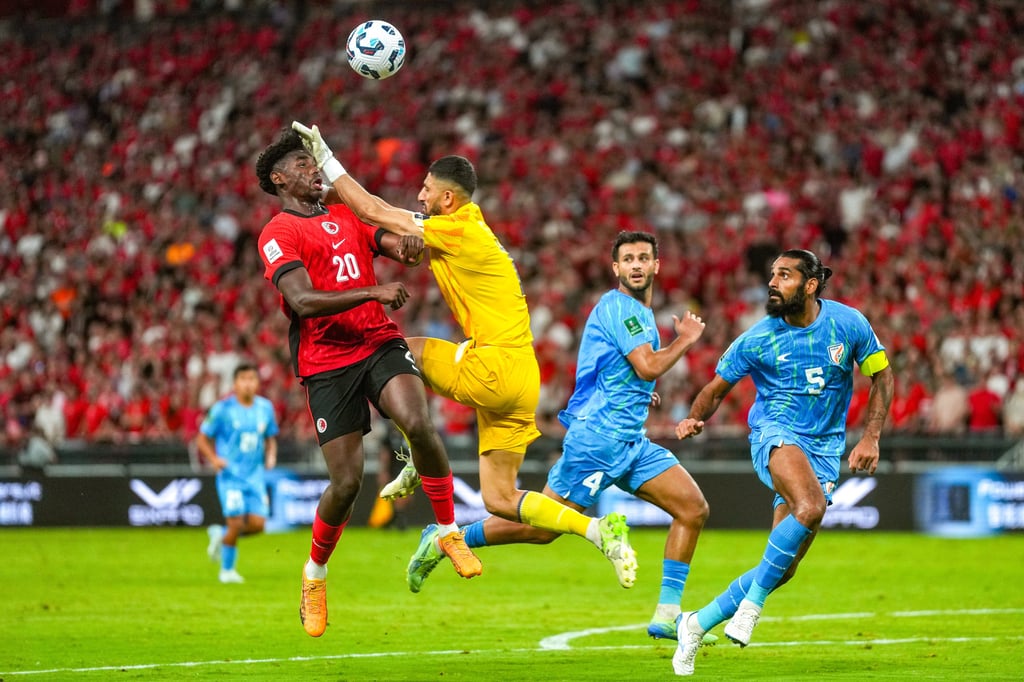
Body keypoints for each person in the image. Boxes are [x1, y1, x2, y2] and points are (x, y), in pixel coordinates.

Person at [290, 121, 637, 591]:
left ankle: (417, 460)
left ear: (449, 200)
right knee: (500, 498)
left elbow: (373, 210)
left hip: (491, 365)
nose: (419, 195)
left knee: (392, 351)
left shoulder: (457, 228)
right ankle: (598, 530)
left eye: (428, 189)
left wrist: (328, 162)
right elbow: (395, 231)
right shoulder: (468, 231)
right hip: (520, 377)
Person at [420, 232, 713, 639]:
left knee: (692, 508)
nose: (636, 265)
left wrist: (642, 393)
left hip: (630, 440)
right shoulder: (619, 307)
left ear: (656, 265)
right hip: (597, 441)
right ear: (616, 269)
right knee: (542, 530)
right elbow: (646, 365)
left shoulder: (641, 315)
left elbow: (630, 372)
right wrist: (685, 340)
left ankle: (666, 614)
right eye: (628, 259)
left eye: (644, 258)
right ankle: (445, 538)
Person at [254, 128, 481, 638]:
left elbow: (392, 244)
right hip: (326, 360)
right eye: (302, 163)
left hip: (377, 342)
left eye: (315, 162)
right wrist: (373, 290)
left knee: (419, 421)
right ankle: (314, 575)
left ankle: (447, 529)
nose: (314, 169)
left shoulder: (346, 214)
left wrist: (410, 246)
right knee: (347, 483)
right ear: (280, 178)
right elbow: (303, 301)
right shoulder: (278, 233)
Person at [670, 249, 894, 676]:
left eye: (785, 276)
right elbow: (717, 388)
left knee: (784, 567)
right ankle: (751, 609)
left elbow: (881, 374)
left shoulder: (848, 324)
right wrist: (694, 418)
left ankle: (695, 624)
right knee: (811, 507)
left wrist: (871, 436)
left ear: (810, 285)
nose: (773, 282)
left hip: (824, 450)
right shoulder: (758, 338)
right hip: (776, 436)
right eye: (772, 275)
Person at [196, 363, 279, 584]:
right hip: (230, 476)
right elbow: (202, 438)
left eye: (252, 379)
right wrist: (214, 459)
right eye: (243, 379)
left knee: (258, 525)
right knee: (235, 523)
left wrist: (271, 455)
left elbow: (270, 437)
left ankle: (219, 535)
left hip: (255, 477)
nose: (248, 384)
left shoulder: (265, 408)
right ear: (234, 383)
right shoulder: (222, 409)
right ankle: (227, 570)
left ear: (257, 383)